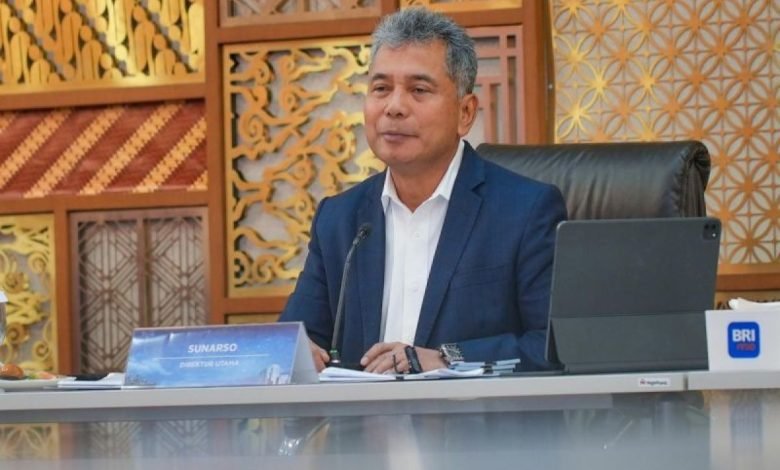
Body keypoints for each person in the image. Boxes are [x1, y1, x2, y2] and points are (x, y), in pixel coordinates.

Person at [279, 7, 567, 374]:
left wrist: (448, 358)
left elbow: (552, 345)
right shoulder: (339, 219)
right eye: (381, 89)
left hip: (475, 412)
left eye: (418, 90)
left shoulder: (525, 211)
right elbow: (295, 340)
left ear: (465, 113)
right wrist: (295, 351)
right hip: (359, 413)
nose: (394, 107)